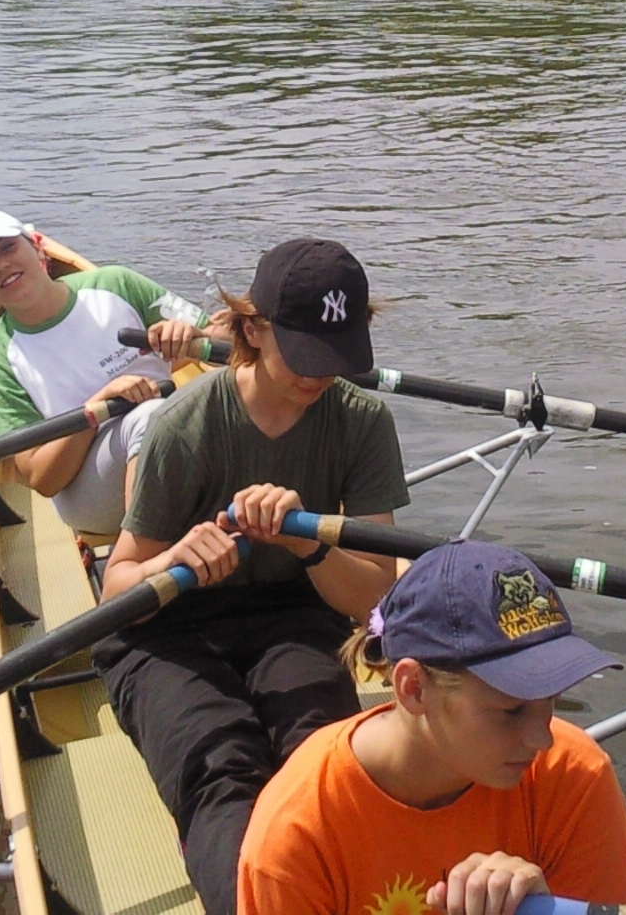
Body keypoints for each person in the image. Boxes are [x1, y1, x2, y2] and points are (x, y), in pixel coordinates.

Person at [94, 238, 411, 915]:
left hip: (295, 614)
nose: (320, 376)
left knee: (319, 759)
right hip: (169, 630)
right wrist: (173, 561)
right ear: (252, 328)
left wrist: (309, 545)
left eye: (336, 356)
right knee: (225, 770)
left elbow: (376, 600)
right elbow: (117, 590)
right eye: (304, 354)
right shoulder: (184, 425)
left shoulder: (362, 423)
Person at [237, 540, 626, 915]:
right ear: (414, 688)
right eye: (512, 711)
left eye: (551, 700)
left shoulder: (573, 774)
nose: (543, 739)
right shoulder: (295, 835)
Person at [0, 209, 210, 536]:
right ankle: (141, 553)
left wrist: (192, 336)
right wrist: (97, 407)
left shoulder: (116, 284)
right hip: (88, 490)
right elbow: (43, 479)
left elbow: (231, 341)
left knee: (220, 390)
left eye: (8, 247)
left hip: (172, 439)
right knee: (150, 419)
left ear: (37, 248)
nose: (0, 265)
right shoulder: (0, 361)